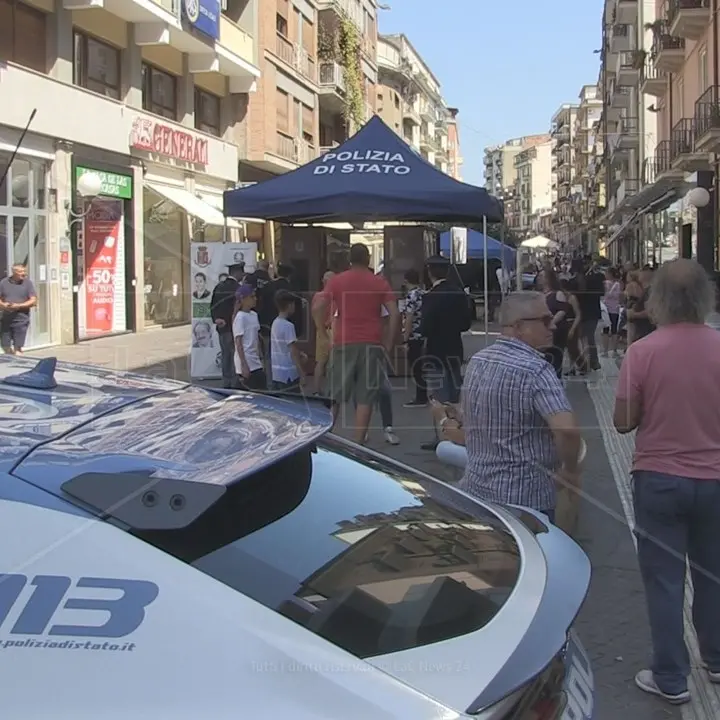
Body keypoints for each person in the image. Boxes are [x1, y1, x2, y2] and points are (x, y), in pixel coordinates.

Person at [613, 259, 720, 705]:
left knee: (664, 580)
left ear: (657, 300)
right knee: (712, 575)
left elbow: (622, 422)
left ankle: (670, 677)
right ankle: (715, 660)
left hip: (658, 478)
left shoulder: (643, 352)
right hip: (715, 480)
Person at [461, 292, 582, 521]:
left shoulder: (478, 361)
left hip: (477, 489)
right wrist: (570, 470)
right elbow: (567, 430)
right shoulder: (536, 370)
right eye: (545, 321)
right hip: (525, 498)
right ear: (518, 327)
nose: (553, 327)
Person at [312, 243, 399, 444]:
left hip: (343, 342)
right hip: (372, 343)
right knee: (365, 397)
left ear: (350, 260)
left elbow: (318, 307)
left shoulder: (337, 281)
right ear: (368, 259)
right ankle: (358, 443)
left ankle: (325, 438)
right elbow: (394, 314)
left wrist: (323, 333)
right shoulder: (380, 283)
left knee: (334, 394)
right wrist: (388, 343)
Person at [210, 263, 245, 388]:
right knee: (235, 355)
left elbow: (213, 305)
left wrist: (217, 319)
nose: (243, 275)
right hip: (235, 327)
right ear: (237, 273)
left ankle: (226, 382)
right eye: (242, 272)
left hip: (222, 328)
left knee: (226, 355)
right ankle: (235, 382)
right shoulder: (239, 288)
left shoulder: (219, 286)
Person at [270, 290, 307, 391]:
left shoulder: (275, 323)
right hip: (289, 373)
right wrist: (301, 373)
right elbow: (292, 351)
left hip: (277, 372)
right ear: (290, 305)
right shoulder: (288, 326)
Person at [402, 268, 427, 408]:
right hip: (422, 333)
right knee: (421, 366)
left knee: (416, 366)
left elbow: (409, 318)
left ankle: (420, 397)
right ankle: (422, 394)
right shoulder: (423, 293)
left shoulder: (411, 296)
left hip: (414, 335)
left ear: (406, 280)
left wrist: (405, 337)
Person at [233, 284, 266, 391]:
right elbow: (238, 342)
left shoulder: (254, 315)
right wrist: (243, 364)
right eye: (252, 297)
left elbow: (256, 337)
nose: (255, 299)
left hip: (255, 360)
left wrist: (261, 356)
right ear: (243, 299)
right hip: (246, 361)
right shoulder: (240, 317)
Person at [0, 264, 37, 355]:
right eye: (20, 272)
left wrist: (19, 306)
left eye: (24, 271)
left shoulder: (28, 283)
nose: (23, 274)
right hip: (6, 319)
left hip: (21, 319)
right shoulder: (4, 283)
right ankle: (11, 362)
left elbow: (33, 300)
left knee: (18, 348)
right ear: (14, 272)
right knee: (5, 346)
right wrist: (3, 305)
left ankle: (17, 361)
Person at [312, 270, 334, 394]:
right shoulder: (335, 296)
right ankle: (331, 389)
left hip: (320, 330)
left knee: (320, 362)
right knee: (333, 362)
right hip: (332, 330)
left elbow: (314, 313)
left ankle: (316, 389)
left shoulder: (317, 296)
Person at [626, 266, 655, 341]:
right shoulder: (645, 290)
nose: (639, 274)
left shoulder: (650, 291)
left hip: (646, 331)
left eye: (641, 272)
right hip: (641, 330)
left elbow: (651, 311)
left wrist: (634, 315)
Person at [602, 266, 622, 356]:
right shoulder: (618, 284)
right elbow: (619, 296)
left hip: (605, 309)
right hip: (615, 309)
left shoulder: (604, 284)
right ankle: (614, 351)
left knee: (605, 330)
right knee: (614, 330)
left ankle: (605, 351)